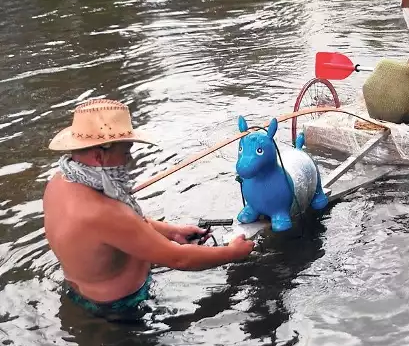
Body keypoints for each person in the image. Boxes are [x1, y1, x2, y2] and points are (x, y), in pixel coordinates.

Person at [43, 99, 255, 319]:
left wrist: (173, 232)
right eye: (126, 153)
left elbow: (123, 227)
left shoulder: (59, 183)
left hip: (82, 292)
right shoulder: (103, 213)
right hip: (121, 309)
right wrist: (233, 253)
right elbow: (179, 259)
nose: (130, 160)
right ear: (98, 156)